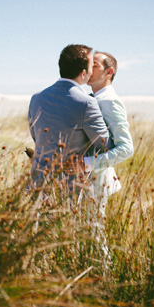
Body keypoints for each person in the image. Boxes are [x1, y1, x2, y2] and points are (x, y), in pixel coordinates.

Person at [28, 44, 113, 198]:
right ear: (83, 73)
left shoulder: (36, 98)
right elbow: (104, 144)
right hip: (70, 189)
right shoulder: (86, 103)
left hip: (38, 183)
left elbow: (36, 136)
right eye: (90, 66)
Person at [84, 51, 134, 217]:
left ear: (109, 72)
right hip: (84, 181)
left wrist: (87, 164)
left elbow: (126, 148)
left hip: (97, 181)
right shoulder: (91, 97)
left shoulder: (110, 100)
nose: (88, 69)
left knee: (94, 236)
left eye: (95, 65)